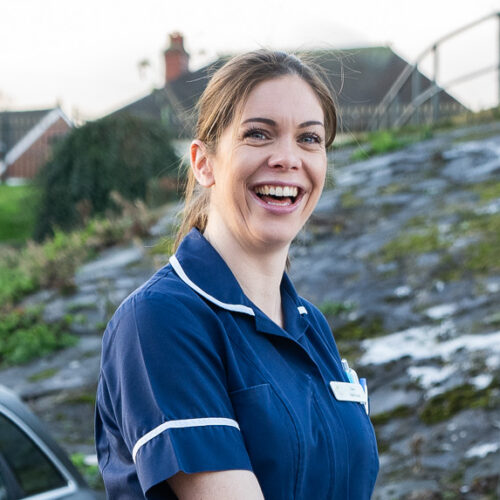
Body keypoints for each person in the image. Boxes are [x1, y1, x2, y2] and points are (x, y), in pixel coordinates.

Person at [95, 50, 379, 499]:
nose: (287, 158)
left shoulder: (312, 326)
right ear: (203, 163)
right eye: (258, 134)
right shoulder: (160, 321)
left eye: (309, 138)